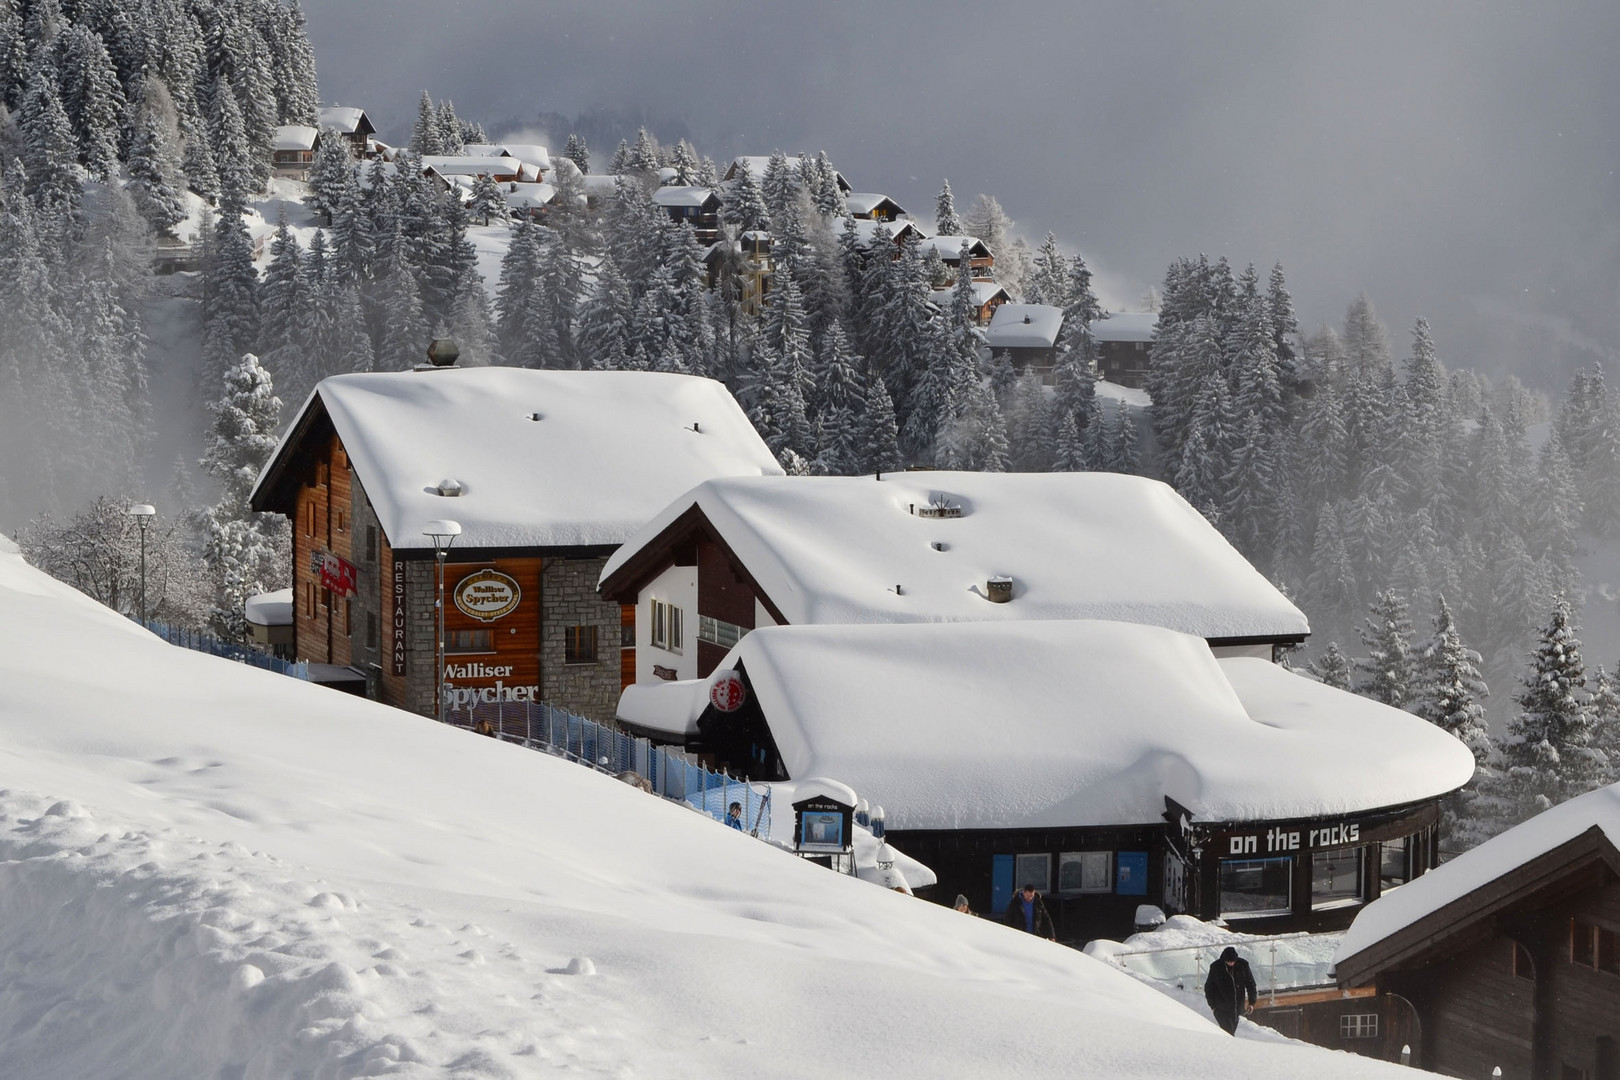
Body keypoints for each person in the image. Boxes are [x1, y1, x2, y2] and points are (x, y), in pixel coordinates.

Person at [1203, 945, 1258, 1035]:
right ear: (1225, 959)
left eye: (1233, 961)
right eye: (1229, 961)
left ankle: (1227, 1047)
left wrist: (1251, 1002)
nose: (1231, 963)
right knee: (1228, 1032)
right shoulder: (1216, 967)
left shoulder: (1243, 965)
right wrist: (1213, 1006)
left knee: (1230, 1032)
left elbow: (1251, 984)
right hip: (1220, 1008)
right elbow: (1209, 988)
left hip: (1237, 1007)